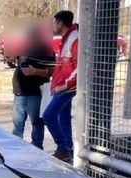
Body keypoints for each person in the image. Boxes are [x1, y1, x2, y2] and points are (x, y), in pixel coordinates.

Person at [42, 10, 79, 162]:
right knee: (63, 119)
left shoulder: (74, 38)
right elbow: (65, 65)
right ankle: (68, 150)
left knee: (48, 115)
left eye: (54, 22)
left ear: (61, 23)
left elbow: (79, 66)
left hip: (67, 88)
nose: (53, 26)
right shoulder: (67, 38)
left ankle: (62, 147)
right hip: (62, 86)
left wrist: (65, 85)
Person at [12, 26, 54, 149]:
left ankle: (37, 147)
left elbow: (51, 71)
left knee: (37, 123)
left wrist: (35, 71)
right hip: (19, 92)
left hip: (34, 93)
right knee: (17, 124)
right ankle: (15, 147)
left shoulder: (46, 50)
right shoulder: (24, 48)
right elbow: (14, 60)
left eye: (32, 36)